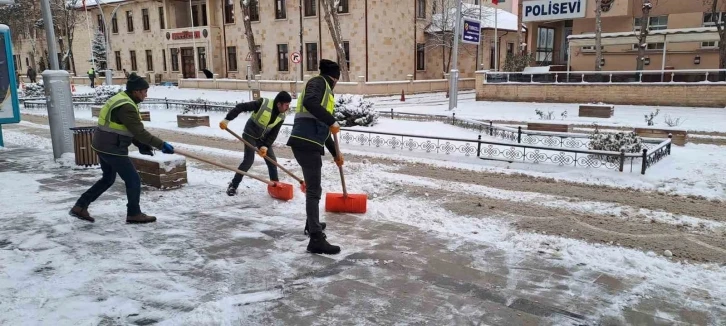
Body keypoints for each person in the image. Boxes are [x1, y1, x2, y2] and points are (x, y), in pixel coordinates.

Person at [69, 73, 175, 224]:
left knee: (108, 179)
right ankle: (134, 213)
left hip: (102, 144)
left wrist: (141, 145)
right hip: (112, 148)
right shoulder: (127, 106)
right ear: (136, 91)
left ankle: (80, 206)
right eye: (144, 91)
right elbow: (139, 132)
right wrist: (161, 144)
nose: (146, 94)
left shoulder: (122, 99)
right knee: (133, 180)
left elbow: (125, 129)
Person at [287, 59, 343, 255]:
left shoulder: (325, 89)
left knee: (313, 189)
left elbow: (324, 128)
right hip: (305, 142)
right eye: (337, 79)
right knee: (314, 190)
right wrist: (331, 119)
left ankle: (312, 224)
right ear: (334, 77)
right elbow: (310, 103)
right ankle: (316, 238)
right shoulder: (319, 83)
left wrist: (336, 154)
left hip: (308, 142)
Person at [220, 91, 292, 196]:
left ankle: (275, 187)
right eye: (286, 105)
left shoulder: (282, 115)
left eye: (289, 105)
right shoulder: (263, 103)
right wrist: (227, 119)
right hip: (250, 134)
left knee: (272, 161)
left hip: (263, 139)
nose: (287, 108)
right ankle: (233, 185)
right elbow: (241, 107)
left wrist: (265, 146)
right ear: (279, 104)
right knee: (248, 161)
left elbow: (273, 133)